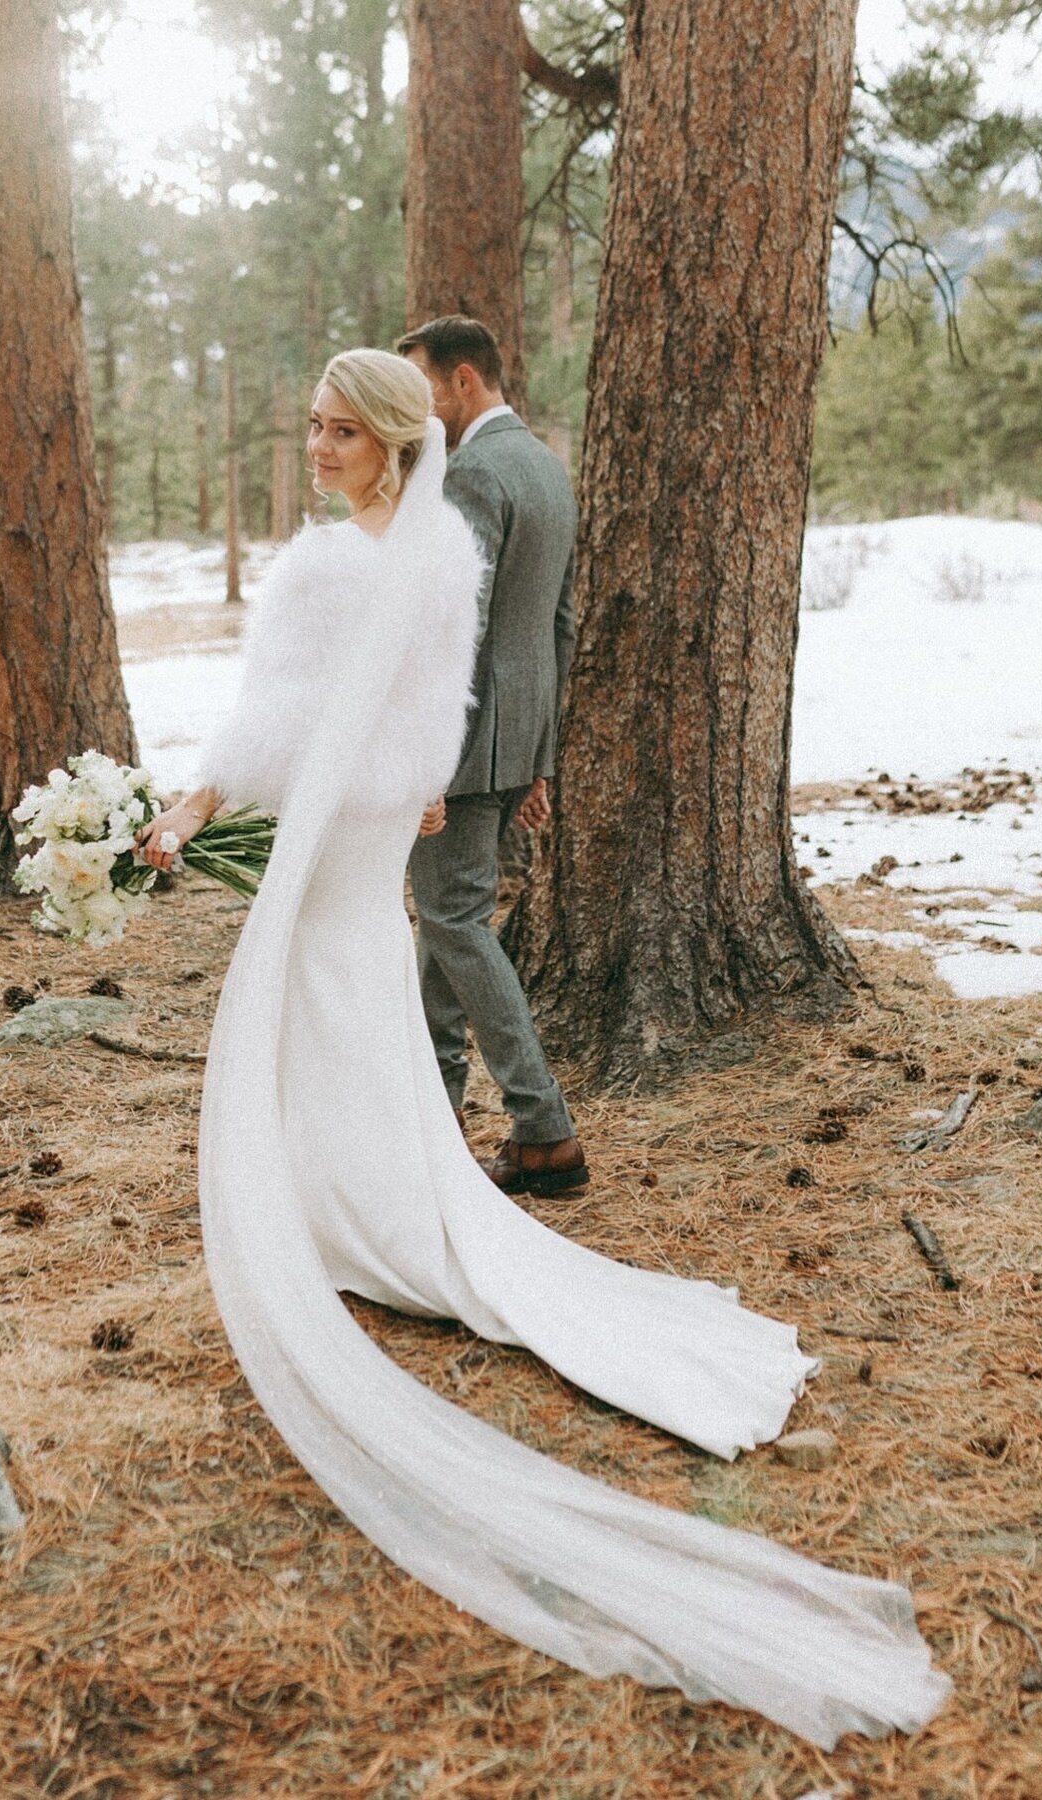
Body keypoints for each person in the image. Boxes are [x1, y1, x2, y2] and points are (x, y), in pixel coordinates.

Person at [137, 348, 950, 1749]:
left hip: (343, 824)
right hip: (386, 813)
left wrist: (198, 797)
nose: (315, 447)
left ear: (394, 440)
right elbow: (434, 712)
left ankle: (350, 1221)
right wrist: (386, 795)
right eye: (313, 425)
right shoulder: (441, 549)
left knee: (323, 996)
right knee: (356, 997)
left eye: (338, 430)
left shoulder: (335, 567)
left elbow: (281, 719)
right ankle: (364, 1208)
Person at [397, 316, 586, 1198]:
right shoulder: (546, 466)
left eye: (422, 389)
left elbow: (455, 629)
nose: (418, 410)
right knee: (446, 918)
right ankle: (435, 1118)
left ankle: (543, 1125)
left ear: (463, 381)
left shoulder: (472, 471)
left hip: (462, 739)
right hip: (511, 739)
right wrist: (539, 760)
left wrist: (430, 756)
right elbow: (557, 624)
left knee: (457, 922)